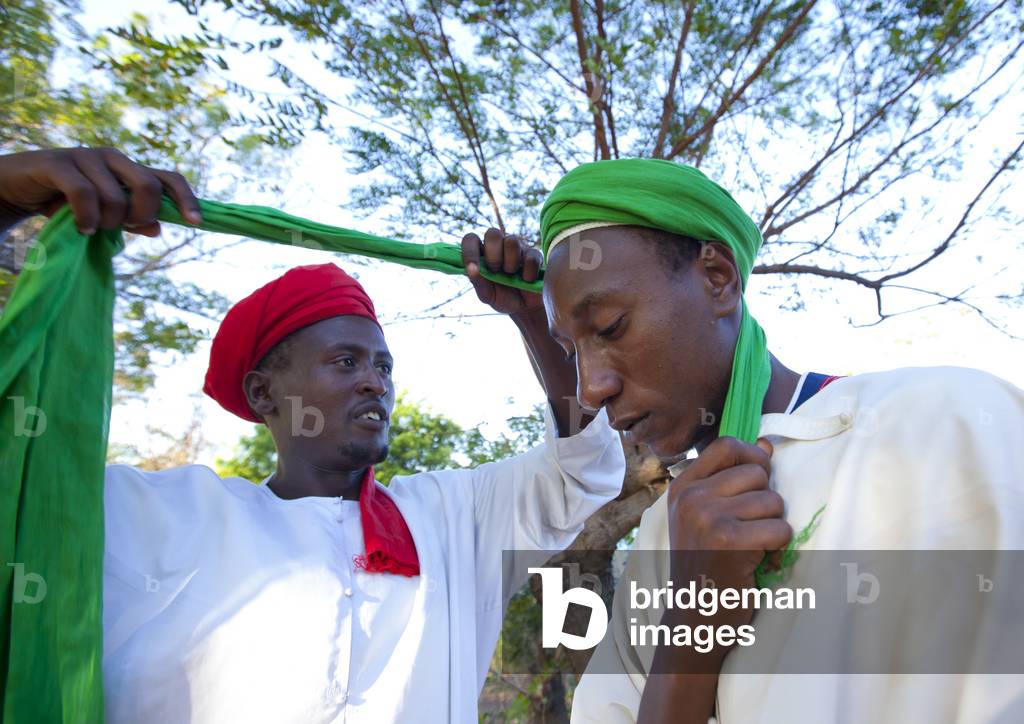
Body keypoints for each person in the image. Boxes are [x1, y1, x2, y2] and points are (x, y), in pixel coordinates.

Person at [0, 147, 627, 722]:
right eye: (347, 362)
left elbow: (582, 471)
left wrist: (531, 318)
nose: (375, 383)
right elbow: (15, 476)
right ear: (262, 393)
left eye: (383, 365)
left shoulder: (450, 518)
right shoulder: (146, 515)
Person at [534, 158, 1024, 723]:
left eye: (611, 327)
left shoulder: (946, 424)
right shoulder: (661, 542)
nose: (592, 388)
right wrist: (693, 630)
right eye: (571, 353)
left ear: (718, 279)